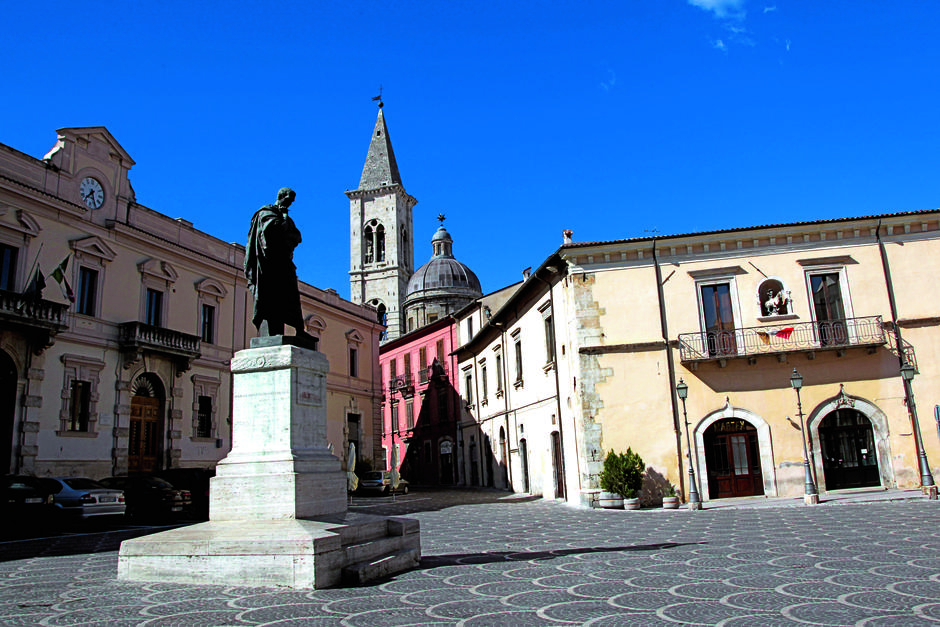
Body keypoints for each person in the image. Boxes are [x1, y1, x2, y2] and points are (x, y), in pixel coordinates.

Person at [244, 187, 313, 341]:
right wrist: (284, 220)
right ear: (281, 196)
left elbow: (297, 236)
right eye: (288, 200)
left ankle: (299, 329)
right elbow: (270, 231)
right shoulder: (266, 212)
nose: (290, 204)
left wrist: (285, 226)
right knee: (271, 296)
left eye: (292, 202)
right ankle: (273, 332)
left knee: (292, 296)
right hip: (270, 264)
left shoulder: (284, 216)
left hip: (283, 262)